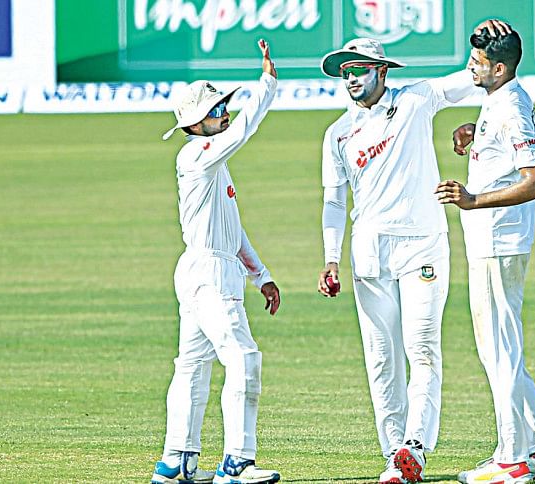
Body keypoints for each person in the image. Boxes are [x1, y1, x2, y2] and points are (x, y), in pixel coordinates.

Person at [314, 22, 504, 483]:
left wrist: (487, 47)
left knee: (422, 348)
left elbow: (472, 78)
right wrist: (331, 258)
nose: (351, 78)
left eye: (359, 69)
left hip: (422, 244)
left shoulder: (416, 100)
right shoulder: (337, 133)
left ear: (382, 71)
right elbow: (334, 201)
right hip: (369, 252)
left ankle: (414, 447)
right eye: (345, 71)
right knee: (381, 358)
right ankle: (393, 455)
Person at [434, 25, 535, 483]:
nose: (470, 67)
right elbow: (504, 156)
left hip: (498, 240)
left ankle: (512, 459)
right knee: (501, 348)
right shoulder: (499, 98)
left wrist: (472, 200)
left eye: (477, 63)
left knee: (499, 351)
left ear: (499, 68)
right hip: (491, 240)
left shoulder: (511, 105)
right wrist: (475, 136)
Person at [151, 40, 282, 484]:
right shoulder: (196, 155)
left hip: (207, 268)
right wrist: (266, 84)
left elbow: (232, 230)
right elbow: (242, 131)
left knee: (192, 365)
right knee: (243, 358)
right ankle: (237, 463)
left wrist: (261, 275)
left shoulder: (214, 162)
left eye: (224, 105)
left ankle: (177, 462)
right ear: (193, 124)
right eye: (216, 109)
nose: (225, 113)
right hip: (208, 273)